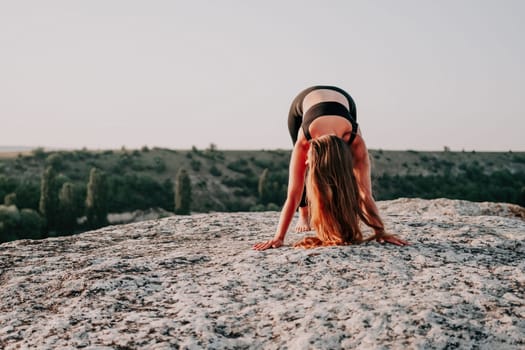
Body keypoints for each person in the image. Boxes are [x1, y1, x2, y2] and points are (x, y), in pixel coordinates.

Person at [252, 85, 408, 250]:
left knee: (339, 175)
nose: (305, 163)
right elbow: (293, 195)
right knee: (302, 178)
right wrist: (279, 237)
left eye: (309, 161)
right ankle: (304, 214)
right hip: (303, 103)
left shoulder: (354, 139)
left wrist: (380, 232)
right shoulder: (304, 140)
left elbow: (365, 193)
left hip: (344, 101)